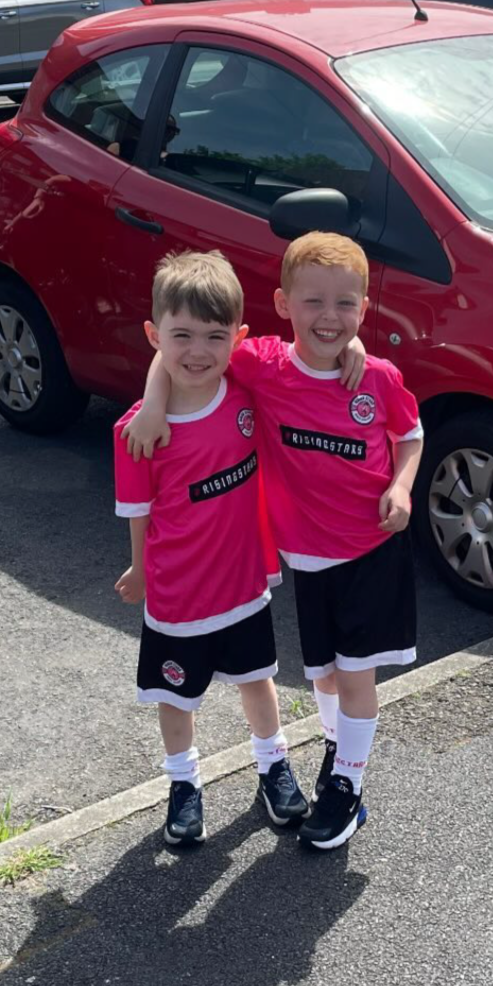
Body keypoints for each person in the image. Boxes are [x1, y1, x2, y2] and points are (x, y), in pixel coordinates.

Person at [123, 233, 424, 851]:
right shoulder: (260, 365)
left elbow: (411, 433)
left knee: (357, 675)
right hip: (306, 560)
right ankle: (335, 750)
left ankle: (347, 788)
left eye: (346, 306)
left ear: (364, 309)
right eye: (313, 302)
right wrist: (154, 401)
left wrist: (402, 486)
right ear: (284, 305)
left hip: (371, 550)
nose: (330, 317)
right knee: (328, 677)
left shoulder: (377, 376)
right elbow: (185, 337)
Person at [113, 249, 309, 848]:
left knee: (258, 679)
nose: (197, 352)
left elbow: (308, 356)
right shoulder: (137, 432)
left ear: (238, 339)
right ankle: (183, 782)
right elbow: (139, 513)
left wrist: (350, 350)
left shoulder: (249, 397)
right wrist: (140, 570)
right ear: (155, 335)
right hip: (176, 592)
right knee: (175, 694)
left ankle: (273, 765)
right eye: (181, 337)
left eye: (214, 337)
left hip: (244, 583)